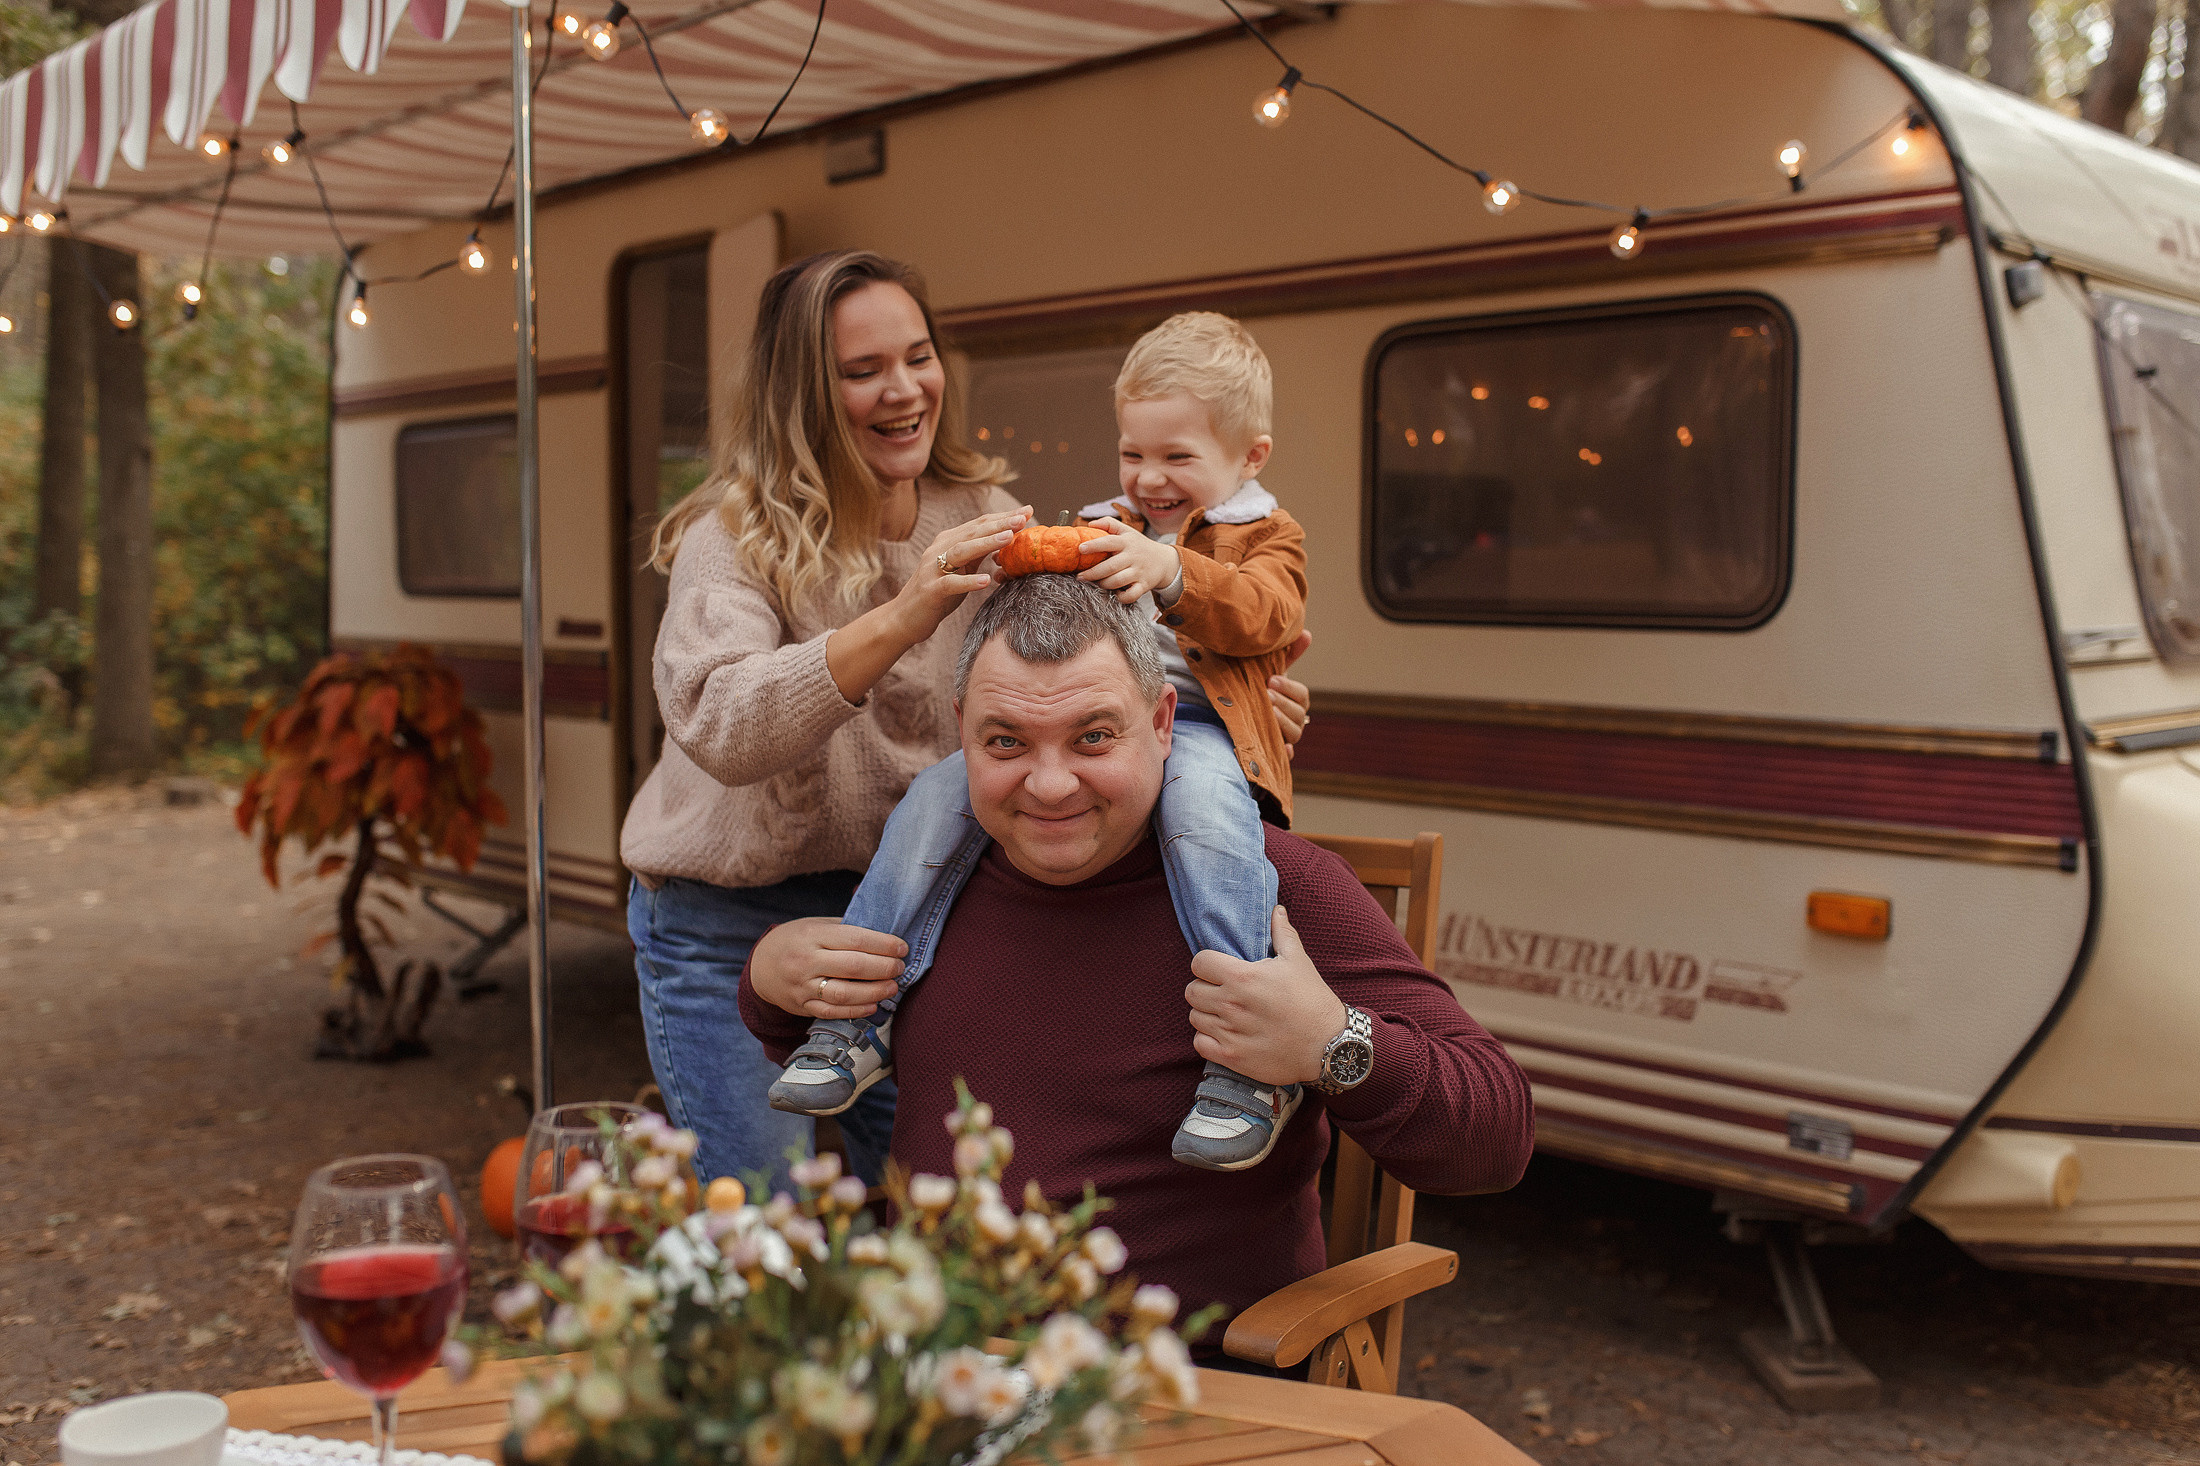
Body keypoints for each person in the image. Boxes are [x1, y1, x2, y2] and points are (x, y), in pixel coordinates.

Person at [621, 251, 1318, 1191]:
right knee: (758, 1222)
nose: (904, 390)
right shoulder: (731, 536)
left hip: (907, 907)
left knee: (923, 1206)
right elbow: (721, 725)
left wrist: (1227, 695)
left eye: (918, 357)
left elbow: (1080, 670)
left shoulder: (986, 513)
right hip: (728, 921)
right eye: (862, 371)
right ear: (802, 396)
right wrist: (905, 612)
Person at [740, 573, 1535, 1339]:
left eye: (1093, 736)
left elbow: (1495, 1137)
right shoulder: (925, 885)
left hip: (1181, 1389)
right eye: (1006, 741)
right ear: (962, 728)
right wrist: (770, 978)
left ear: (1162, 722)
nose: (1050, 785)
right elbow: (805, 1033)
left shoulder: (1276, 890)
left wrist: (1332, 1044)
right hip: (940, 1373)